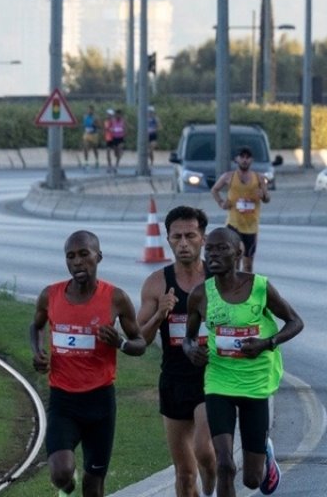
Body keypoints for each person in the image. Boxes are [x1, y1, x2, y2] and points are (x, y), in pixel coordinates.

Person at [184, 227, 304, 497]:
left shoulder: (259, 286)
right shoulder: (200, 294)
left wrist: (265, 343)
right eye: (209, 249)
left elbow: (296, 322)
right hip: (219, 380)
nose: (213, 254)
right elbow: (188, 339)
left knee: (252, 479)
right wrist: (191, 351)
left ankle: (265, 455)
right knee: (225, 464)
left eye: (221, 248)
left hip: (255, 383)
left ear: (238, 252)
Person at [29, 230, 148, 497]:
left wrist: (120, 344)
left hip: (100, 403)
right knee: (60, 473)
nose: (77, 262)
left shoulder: (115, 298)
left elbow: (140, 343)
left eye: (84, 254)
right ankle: (65, 488)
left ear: (99, 257)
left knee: (93, 488)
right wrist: (37, 352)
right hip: (63, 401)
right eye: (70, 256)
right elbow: (35, 326)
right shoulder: (51, 295)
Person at [136, 206, 216, 497]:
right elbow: (138, 340)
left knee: (205, 452)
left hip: (213, 379)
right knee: (184, 475)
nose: (184, 243)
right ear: (168, 240)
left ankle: (213, 490)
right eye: (177, 237)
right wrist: (160, 314)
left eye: (191, 236)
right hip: (173, 381)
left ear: (203, 238)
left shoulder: (219, 280)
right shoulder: (157, 283)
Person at [210, 147, 270, 272]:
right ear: (236, 159)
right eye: (242, 157)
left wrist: (263, 195)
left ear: (251, 160)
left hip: (251, 226)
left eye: (247, 157)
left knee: (248, 264)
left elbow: (267, 198)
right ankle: (233, 288)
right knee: (234, 260)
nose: (244, 160)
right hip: (233, 225)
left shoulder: (258, 178)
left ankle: (245, 288)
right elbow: (214, 189)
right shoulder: (229, 177)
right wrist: (221, 202)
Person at [106, 108, 127, 174]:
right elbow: (109, 128)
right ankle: (120, 154)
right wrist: (111, 130)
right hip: (114, 138)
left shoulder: (123, 121)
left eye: (119, 115)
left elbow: (125, 129)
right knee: (116, 153)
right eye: (117, 115)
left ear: (121, 115)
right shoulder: (113, 121)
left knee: (119, 148)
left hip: (120, 138)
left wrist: (124, 134)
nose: (118, 116)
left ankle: (116, 166)